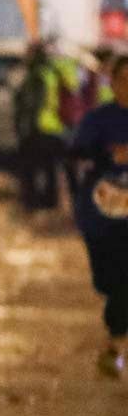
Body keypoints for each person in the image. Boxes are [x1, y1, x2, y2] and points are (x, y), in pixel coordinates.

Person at [68, 55, 128, 379]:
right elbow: (76, 154)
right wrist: (108, 155)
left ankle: (114, 345)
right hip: (103, 215)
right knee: (110, 280)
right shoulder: (98, 120)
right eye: (124, 80)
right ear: (113, 83)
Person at [14, 40, 76, 214]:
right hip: (56, 128)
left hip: (39, 128)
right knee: (50, 171)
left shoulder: (36, 75)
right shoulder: (54, 72)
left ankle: (36, 206)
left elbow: (31, 105)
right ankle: (50, 206)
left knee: (32, 170)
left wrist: (23, 128)